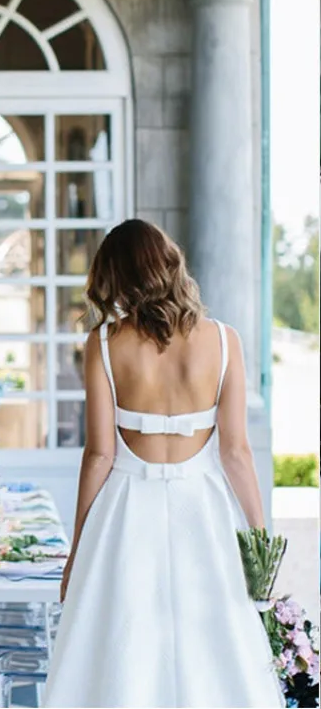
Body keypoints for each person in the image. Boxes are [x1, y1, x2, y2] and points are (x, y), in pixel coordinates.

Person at [42, 219, 284, 708]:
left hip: (127, 509)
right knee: (214, 646)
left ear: (116, 275)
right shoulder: (224, 340)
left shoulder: (105, 344)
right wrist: (261, 543)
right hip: (205, 506)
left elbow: (100, 455)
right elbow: (236, 451)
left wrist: (77, 550)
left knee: (122, 646)